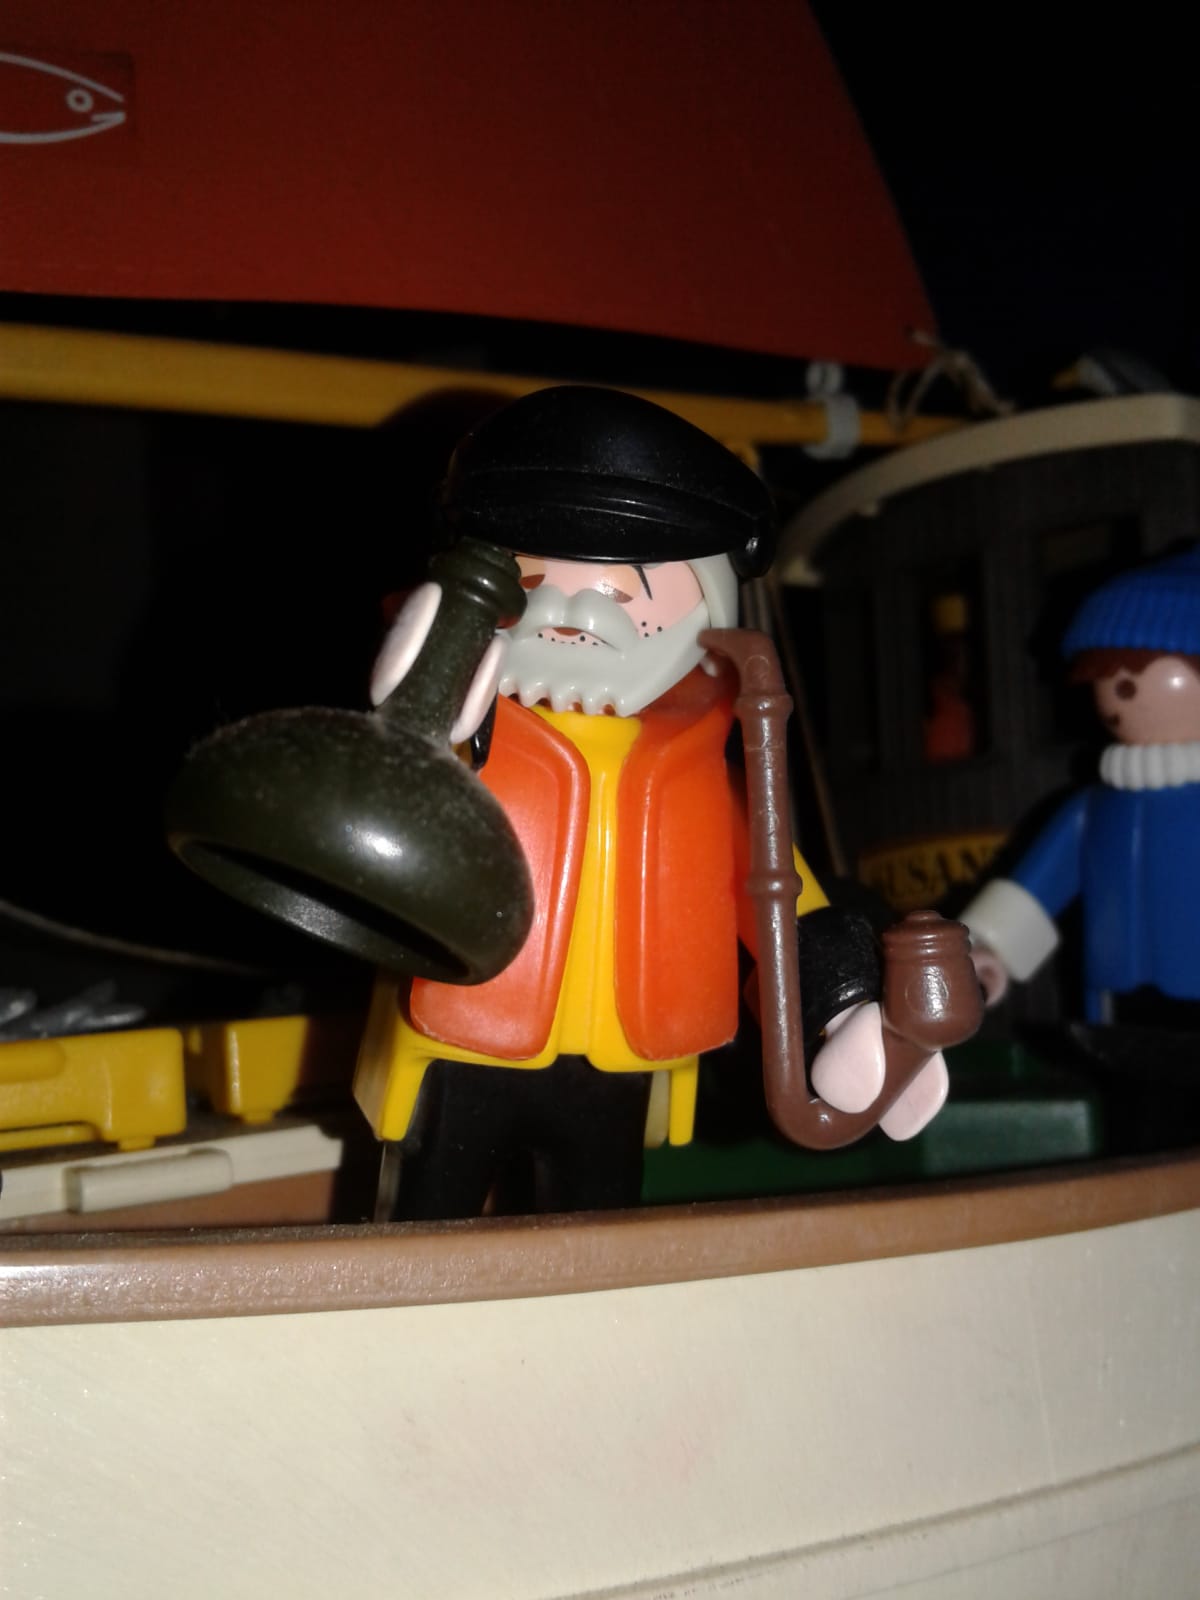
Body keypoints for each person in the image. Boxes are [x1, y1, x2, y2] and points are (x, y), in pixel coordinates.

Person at [355, 386, 950, 1217]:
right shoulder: (462, 731)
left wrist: (844, 1006)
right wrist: (424, 702)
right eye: (534, 577)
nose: (570, 607)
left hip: (627, 1053)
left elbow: (777, 895)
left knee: (600, 1222)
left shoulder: (702, 763)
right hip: (466, 1035)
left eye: (627, 591)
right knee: (429, 1214)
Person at [963, 543, 1200, 1024]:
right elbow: (1036, 890)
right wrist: (990, 949)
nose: (1119, 696)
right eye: (1108, 679)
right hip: (1116, 1009)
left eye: (1135, 678)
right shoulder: (1092, 810)